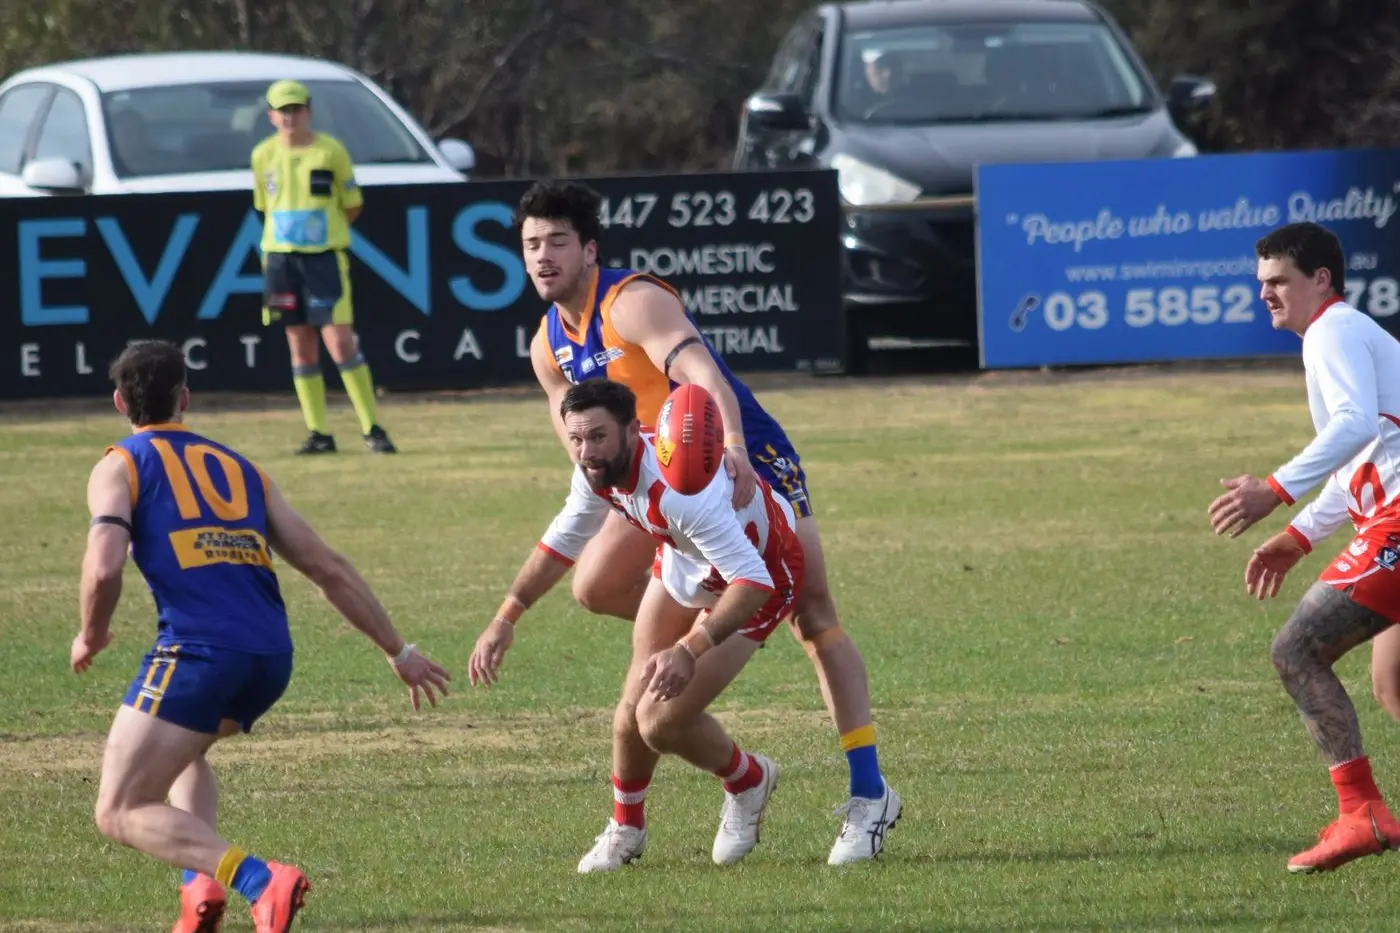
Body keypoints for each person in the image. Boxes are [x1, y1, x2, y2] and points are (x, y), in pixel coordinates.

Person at [505, 179, 900, 865]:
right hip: (665, 490)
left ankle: (869, 794)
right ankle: (639, 805)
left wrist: (738, 449)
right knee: (594, 586)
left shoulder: (632, 301)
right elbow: (585, 452)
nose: (543, 256)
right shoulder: (548, 345)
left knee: (814, 613)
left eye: (558, 242)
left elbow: (703, 374)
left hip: (740, 458)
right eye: (532, 244)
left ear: (590, 248)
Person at [73, 340, 449, 931]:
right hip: (270, 658)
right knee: (184, 750)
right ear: (185, 398)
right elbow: (329, 567)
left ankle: (258, 881)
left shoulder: (120, 462)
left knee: (118, 810)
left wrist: (90, 635)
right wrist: (397, 651)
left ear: (120, 401)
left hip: (198, 654)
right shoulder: (238, 467)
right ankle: (201, 891)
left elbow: (103, 566)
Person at [469, 379, 806, 872]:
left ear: (633, 430)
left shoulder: (681, 492)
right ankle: (626, 828)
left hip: (759, 577)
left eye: (598, 437)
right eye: (577, 438)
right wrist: (507, 615)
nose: (586, 451)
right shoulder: (595, 469)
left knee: (660, 722)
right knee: (631, 707)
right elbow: (562, 539)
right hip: (685, 565)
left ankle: (748, 779)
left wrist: (690, 648)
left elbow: (751, 581)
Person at [1208, 220, 1400, 873]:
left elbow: (1353, 424)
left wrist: (1275, 488)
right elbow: (1360, 463)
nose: (1265, 293)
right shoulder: (1342, 334)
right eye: (1260, 281)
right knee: (1393, 679)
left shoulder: (1333, 329)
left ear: (1321, 279)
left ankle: (1361, 813)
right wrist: (1297, 537)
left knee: (1295, 649)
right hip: (1387, 516)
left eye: (1278, 280)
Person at [251, 79, 397, 455]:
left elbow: (352, 203)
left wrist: (322, 234)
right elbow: (263, 206)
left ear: (309, 111)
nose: (290, 117)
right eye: (283, 110)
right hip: (281, 259)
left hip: (324, 258)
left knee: (340, 341)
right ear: (271, 115)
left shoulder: (330, 151)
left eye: (296, 109)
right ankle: (319, 432)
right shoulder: (262, 154)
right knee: (300, 345)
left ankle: (372, 428)